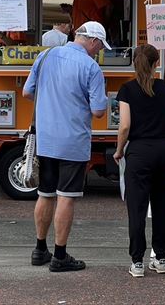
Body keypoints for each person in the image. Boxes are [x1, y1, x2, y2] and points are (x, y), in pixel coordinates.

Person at [22, 21, 110, 273]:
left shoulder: (46, 55)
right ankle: (60, 255)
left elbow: (28, 92)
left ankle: (40, 249)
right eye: (100, 46)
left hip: (46, 138)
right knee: (66, 197)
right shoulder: (91, 67)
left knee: (45, 193)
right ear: (92, 41)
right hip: (73, 140)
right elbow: (98, 111)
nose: (99, 51)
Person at [112, 44, 165, 278]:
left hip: (139, 153)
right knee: (162, 206)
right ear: (156, 63)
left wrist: (118, 150)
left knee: (136, 209)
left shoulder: (127, 90)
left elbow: (125, 125)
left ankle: (137, 262)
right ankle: (161, 258)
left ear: (134, 63)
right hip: (164, 151)